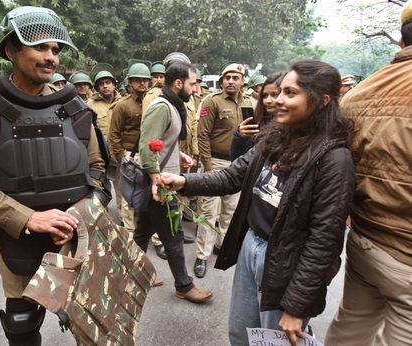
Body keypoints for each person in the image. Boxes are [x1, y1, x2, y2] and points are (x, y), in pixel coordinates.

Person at [160, 60, 355, 345]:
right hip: (252, 246)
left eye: (290, 93)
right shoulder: (274, 139)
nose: (277, 100)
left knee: (275, 339)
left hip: (287, 261)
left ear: (322, 100)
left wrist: (297, 305)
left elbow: (324, 241)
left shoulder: (334, 160)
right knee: (241, 334)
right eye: (278, 93)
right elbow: (231, 176)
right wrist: (184, 183)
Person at [0, 6, 107, 345]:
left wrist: (79, 214)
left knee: (91, 317)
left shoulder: (76, 111)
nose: (51, 57)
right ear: (10, 50)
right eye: (40, 47)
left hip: (74, 237)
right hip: (17, 239)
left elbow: (97, 169)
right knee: (22, 320)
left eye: (55, 49)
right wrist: (28, 217)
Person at [325, 3, 412, 345]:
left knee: (349, 331)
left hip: (364, 242)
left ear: (401, 40)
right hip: (405, 255)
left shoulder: (360, 93)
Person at [135, 61, 213, 303]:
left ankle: (133, 274)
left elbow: (162, 141)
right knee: (174, 236)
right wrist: (155, 181)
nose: (195, 88)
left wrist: (179, 155)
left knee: (141, 235)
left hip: (160, 182)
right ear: (178, 83)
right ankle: (184, 285)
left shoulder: (173, 105)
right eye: (192, 84)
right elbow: (147, 145)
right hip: (159, 186)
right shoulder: (162, 107)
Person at [194, 63, 253, 278]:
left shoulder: (250, 103)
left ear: (242, 81)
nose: (230, 81)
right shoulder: (212, 101)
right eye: (227, 77)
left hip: (239, 164)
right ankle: (202, 254)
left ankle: (221, 246)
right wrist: (207, 167)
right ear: (222, 80)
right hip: (216, 164)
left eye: (235, 77)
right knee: (209, 211)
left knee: (230, 210)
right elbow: (202, 135)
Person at [108, 62, 150, 235]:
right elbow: (114, 134)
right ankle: (130, 236)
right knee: (128, 197)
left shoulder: (154, 102)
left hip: (150, 153)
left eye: (145, 80)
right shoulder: (122, 105)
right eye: (137, 80)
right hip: (129, 154)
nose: (142, 83)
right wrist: (120, 158)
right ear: (130, 83)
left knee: (152, 195)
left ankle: (153, 237)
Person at [230, 73, 282, 161]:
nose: (268, 101)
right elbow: (238, 163)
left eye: (274, 95)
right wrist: (240, 138)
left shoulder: (293, 128)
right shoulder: (258, 121)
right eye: (265, 95)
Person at [87, 68, 121, 137]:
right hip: (101, 145)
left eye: (108, 82)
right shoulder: (90, 104)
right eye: (101, 84)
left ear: (114, 85)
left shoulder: (123, 102)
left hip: (119, 145)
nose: (105, 86)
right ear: (97, 88)